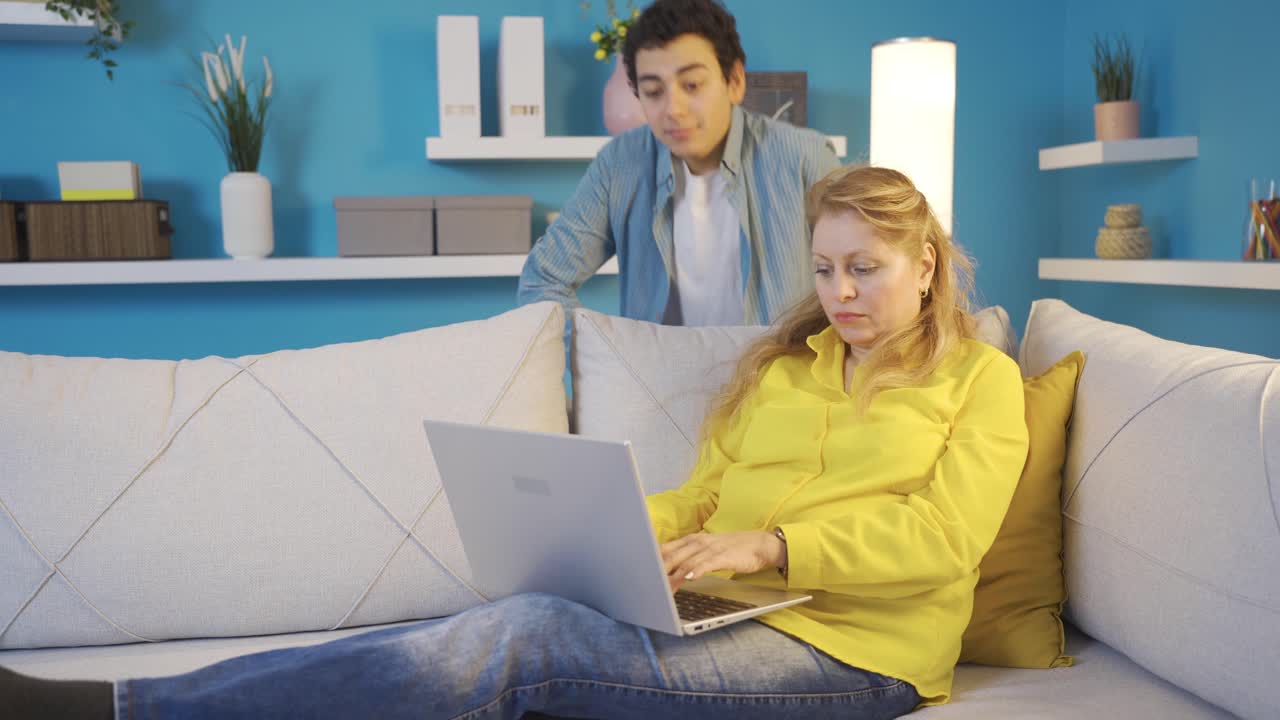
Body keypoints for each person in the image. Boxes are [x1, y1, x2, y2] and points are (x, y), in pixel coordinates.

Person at [0, 165, 1028, 719]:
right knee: (511, 611)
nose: (840, 294)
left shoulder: (979, 381)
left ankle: (116, 713)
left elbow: (943, 539)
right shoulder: (786, 371)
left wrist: (770, 550)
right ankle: (141, 703)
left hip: (862, 655)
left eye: (867, 269)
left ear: (927, 264)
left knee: (521, 644)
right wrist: (617, 525)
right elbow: (706, 503)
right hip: (746, 610)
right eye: (826, 269)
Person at [517, 0, 841, 327]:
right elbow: (543, 279)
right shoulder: (619, 164)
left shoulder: (804, 158)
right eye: (654, 91)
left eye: (692, 85)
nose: (674, 109)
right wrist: (604, 357)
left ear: (735, 81)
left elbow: (859, 276)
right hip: (658, 376)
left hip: (782, 374)